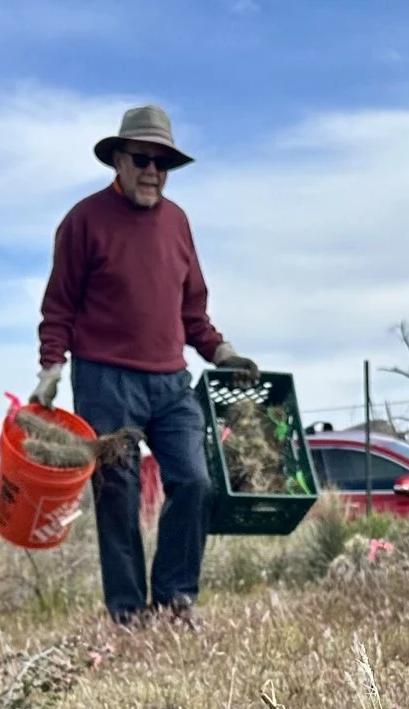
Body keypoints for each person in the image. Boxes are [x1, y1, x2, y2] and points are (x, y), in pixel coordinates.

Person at [33, 104, 257, 628]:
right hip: (105, 379)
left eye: (163, 163)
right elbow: (58, 307)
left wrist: (221, 352)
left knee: (195, 482)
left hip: (171, 382)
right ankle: (128, 612)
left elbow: (192, 311)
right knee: (119, 494)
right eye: (142, 160)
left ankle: (176, 599)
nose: (153, 171)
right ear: (119, 161)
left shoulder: (177, 223)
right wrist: (51, 369)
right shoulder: (83, 221)